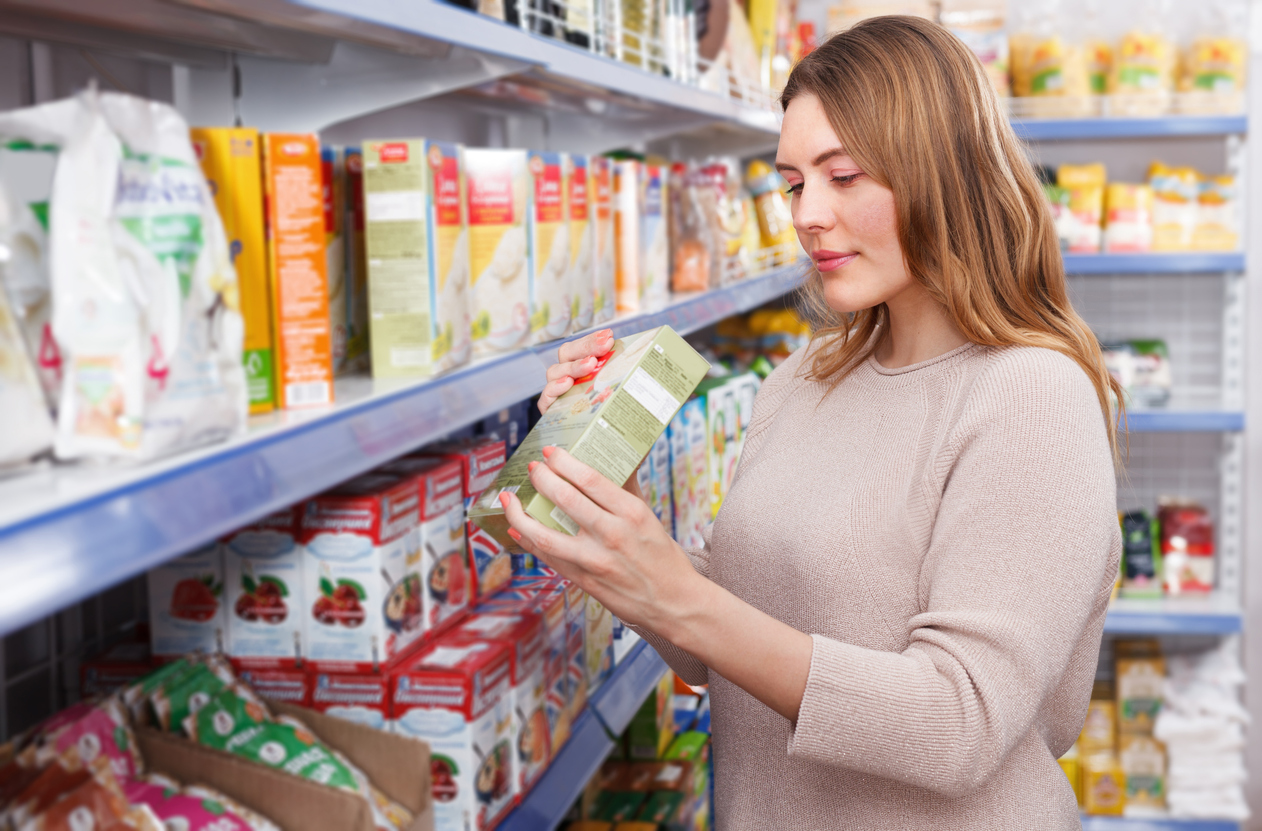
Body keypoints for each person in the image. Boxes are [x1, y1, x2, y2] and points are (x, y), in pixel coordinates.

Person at [497, 15, 1122, 830]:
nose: (806, 215)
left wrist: (686, 599)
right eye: (793, 183)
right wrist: (601, 503)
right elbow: (722, 647)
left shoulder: (1030, 393)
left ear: (945, 172)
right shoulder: (801, 378)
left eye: (844, 175)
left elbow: (960, 723)